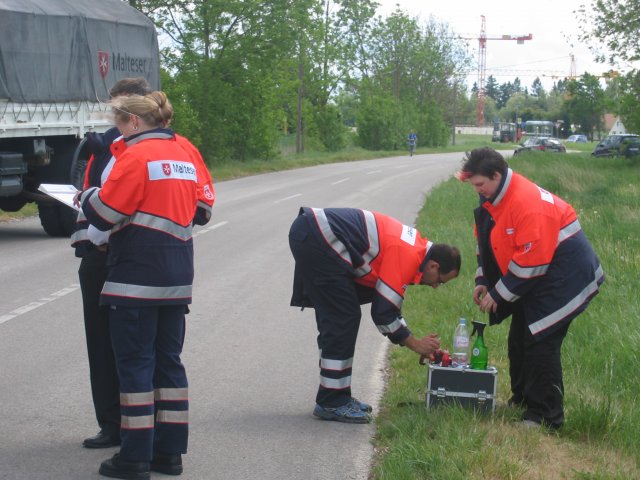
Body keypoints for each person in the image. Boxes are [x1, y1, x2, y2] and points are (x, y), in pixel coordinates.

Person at [79, 91, 208, 479]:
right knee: (169, 365)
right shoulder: (184, 153)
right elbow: (202, 207)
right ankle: (169, 454)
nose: (117, 131)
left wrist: (84, 196)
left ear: (133, 122)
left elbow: (105, 214)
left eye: (119, 123)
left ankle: (134, 457)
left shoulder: (134, 156)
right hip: (177, 277)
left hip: (135, 277)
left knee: (135, 367)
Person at [458, 147, 604, 429]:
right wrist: (483, 280)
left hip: (565, 276)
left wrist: (498, 295)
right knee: (518, 338)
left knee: (540, 341)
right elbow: (486, 243)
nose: (477, 190)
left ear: (496, 175)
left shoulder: (526, 203)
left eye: (479, 184)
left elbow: (532, 263)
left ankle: (546, 417)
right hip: (540, 273)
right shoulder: (493, 197)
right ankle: (523, 400)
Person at [289, 207, 461, 423]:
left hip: (315, 233)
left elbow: (390, 303)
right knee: (343, 317)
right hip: (318, 236)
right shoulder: (408, 255)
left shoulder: (415, 249)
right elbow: (383, 313)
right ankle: (332, 401)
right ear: (434, 265)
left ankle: (337, 396)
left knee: (341, 316)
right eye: (440, 280)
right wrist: (415, 344)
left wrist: (412, 339)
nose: (436, 286)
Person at [71, 77, 152, 450]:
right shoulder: (104, 146)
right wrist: (87, 245)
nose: (116, 118)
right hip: (101, 258)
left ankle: (139, 430)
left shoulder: (149, 149)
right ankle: (112, 424)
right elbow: (88, 194)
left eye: (121, 112)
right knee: (102, 344)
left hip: (130, 259)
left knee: (134, 348)